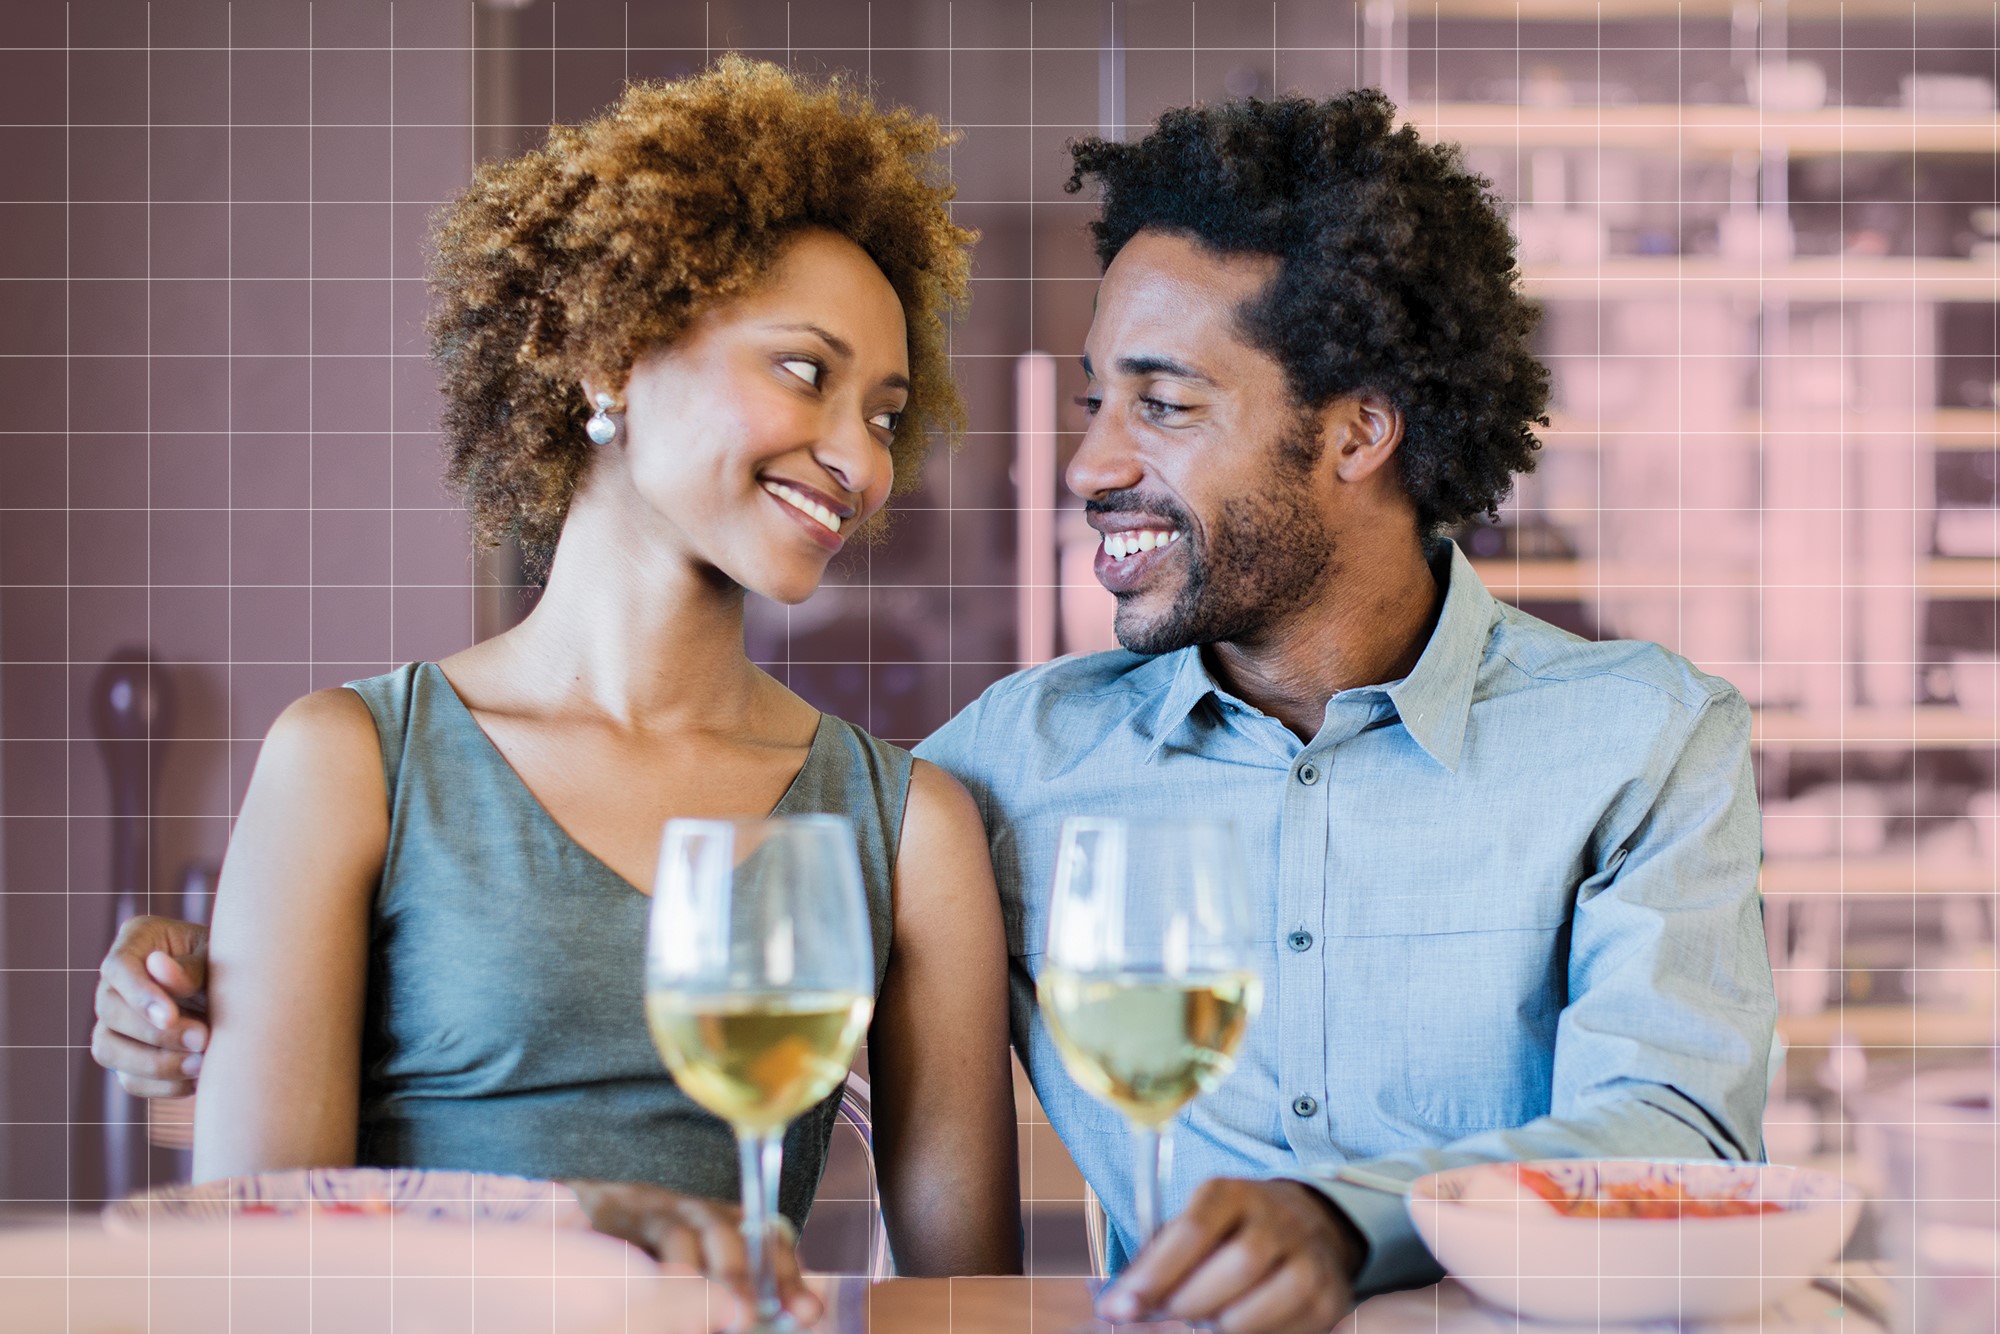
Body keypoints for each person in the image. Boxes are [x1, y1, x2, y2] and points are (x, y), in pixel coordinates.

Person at [97, 87, 1775, 1334]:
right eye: (808, 370)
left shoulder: (1636, 737)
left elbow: (1672, 1131)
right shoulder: (990, 772)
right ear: (608, 352)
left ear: (1357, 430)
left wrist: (1348, 1221)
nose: (1090, 460)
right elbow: (270, 1234)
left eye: (1163, 403)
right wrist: (189, 988)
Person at [91, 57, 1022, 1326]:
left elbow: (969, 1307)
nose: (861, 459)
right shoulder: (352, 761)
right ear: (613, 356)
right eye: (806, 372)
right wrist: (576, 1229)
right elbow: (253, 1280)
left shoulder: (910, 825)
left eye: (885, 410)